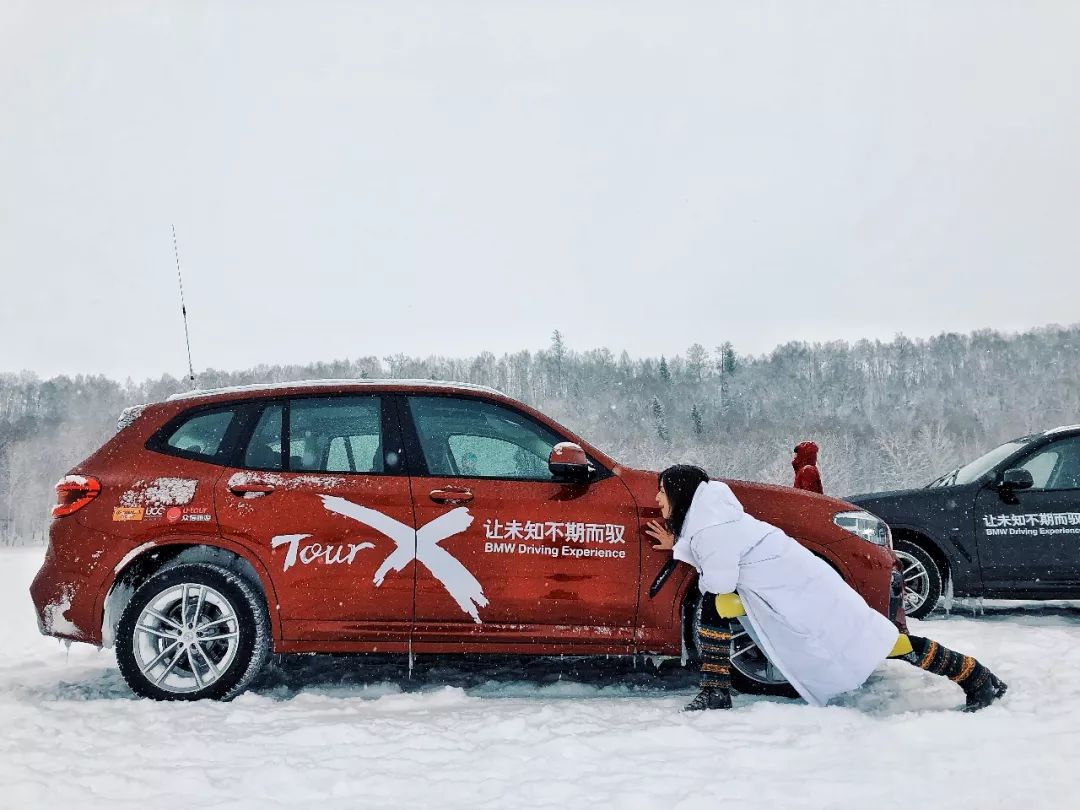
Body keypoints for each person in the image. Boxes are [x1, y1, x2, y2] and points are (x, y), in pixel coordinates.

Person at [645, 464, 1007, 712]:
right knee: (716, 607)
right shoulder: (715, 519)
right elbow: (721, 557)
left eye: (662, 492)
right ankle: (715, 690)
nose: (658, 500)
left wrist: (685, 551)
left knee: (880, 642)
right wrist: (678, 545)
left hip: (809, 599)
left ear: (680, 494)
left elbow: (720, 579)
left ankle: (976, 677)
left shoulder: (711, 529)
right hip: (803, 591)